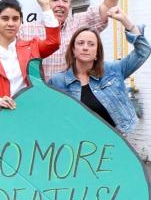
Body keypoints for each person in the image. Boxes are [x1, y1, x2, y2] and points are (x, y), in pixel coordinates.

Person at [20, 0, 124, 80]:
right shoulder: (27, 30)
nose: (60, 4)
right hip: (39, 95)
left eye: (65, 1)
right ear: (44, 1)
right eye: (55, 0)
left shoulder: (79, 23)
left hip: (71, 96)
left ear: (70, 5)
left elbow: (107, 6)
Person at [49, 7, 149, 135]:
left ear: (97, 52)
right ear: (73, 50)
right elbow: (52, 114)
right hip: (79, 145)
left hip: (115, 141)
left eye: (91, 44)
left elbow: (143, 52)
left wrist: (125, 20)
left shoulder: (113, 70)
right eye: (80, 43)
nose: (85, 47)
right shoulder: (58, 81)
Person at [0, 0, 60, 125]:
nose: (10, 23)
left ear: (21, 21)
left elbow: (53, 42)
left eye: (15, 19)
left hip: (26, 117)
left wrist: (45, 7)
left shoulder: (32, 47)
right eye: (5, 18)